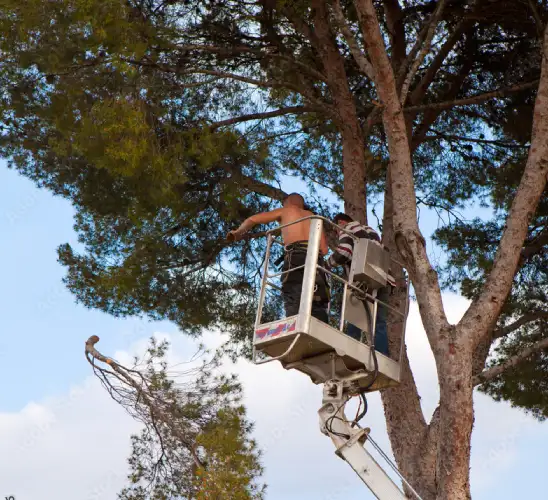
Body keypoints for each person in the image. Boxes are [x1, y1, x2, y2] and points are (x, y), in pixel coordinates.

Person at [227, 193, 330, 322]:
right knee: (316, 298)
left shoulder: (286, 210)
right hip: (316, 262)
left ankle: (293, 327)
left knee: (293, 294)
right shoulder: (315, 218)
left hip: (296, 257)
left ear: (288, 202)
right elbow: (325, 249)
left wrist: (237, 232)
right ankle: (319, 328)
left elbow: (253, 220)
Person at [326, 213, 393, 356]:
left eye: (336, 229)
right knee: (379, 322)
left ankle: (349, 350)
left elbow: (344, 252)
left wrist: (327, 264)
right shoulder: (371, 231)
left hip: (363, 278)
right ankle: (382, 355)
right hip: (383, 280)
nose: (337, 232)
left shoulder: (348, 227)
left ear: (341, 222)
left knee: (355, 318)